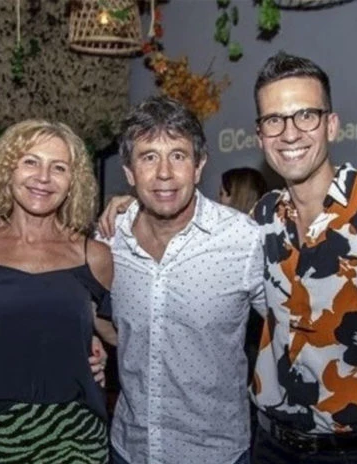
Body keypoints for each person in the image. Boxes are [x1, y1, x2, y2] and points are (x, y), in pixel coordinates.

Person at [248, 52, 357, 463]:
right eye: (274, 120)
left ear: (332, 125)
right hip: (270, 444)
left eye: (306, 115)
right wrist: (132, 210)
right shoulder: (261, 218)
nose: (290, 133)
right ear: (260, 136)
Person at [96, 95, 266, 464]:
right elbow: (95, 314)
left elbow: (289, 332)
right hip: (130, 449)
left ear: (199, 165)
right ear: (129, 173)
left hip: (215, 454)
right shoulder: (109, 241)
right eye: (148, 157)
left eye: (178, 155)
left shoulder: (243, 239)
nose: (164, 173)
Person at [0, 119, 112, 463]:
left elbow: (118, 332)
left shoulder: (94, 255)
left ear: (73, 183)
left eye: (59, 167)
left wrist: (97, 348)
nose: (43, 177)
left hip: (76, 435)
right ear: (7, 170)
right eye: (30, 161)